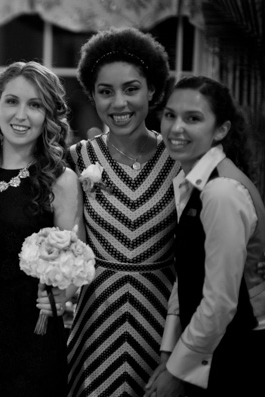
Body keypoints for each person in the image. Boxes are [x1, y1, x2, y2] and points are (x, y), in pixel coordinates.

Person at [0, 61, 83, 396]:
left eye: (34, 105)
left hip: (32, 334)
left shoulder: (61, 181)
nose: (21, 115)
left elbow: (72, 263)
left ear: (48, 115)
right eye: (12, 101)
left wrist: (61, 296)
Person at [64, 27, 181, 397]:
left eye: (131, 89)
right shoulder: (78, 158)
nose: (119, 103)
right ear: (92, 95)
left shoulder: (180, 160)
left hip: (163, 322)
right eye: (105, 91)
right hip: (96, 320)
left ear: (153, 91)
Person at [144, 75, 265, 397]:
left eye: (193, 118)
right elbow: (189, 275)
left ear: (221, 129)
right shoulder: (194, 181)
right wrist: (169, 354)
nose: (175, 128)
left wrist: (178, 370)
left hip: (236, 353)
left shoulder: (221, 191)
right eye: (170, 115)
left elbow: (220, 302)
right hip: (212, 347)